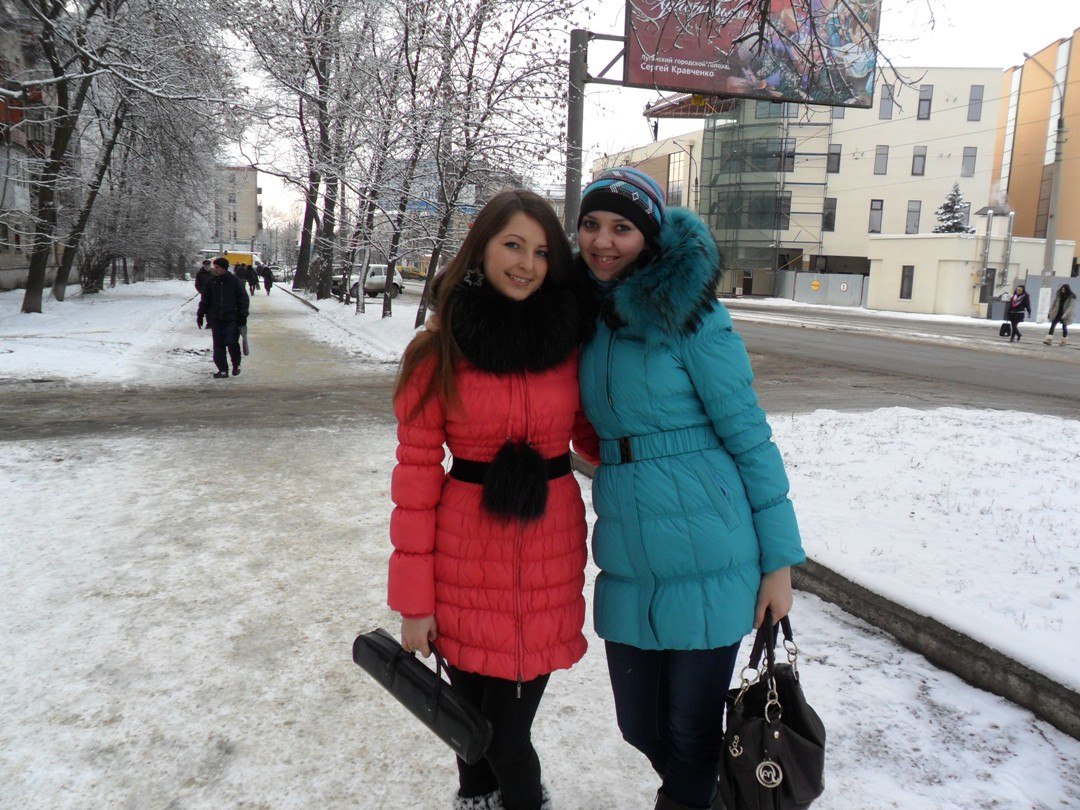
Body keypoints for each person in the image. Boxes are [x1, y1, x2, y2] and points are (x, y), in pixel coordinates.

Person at [574, 167, 806, 810]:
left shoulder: (693, 316)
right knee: (640, 726)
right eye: (591, 224)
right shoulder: (586, 316)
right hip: (629, 550)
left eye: (622, 228)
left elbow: (750, 438)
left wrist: (779, 564)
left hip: (711, 548)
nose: (603, 241)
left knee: (692, 732)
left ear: (649, 237)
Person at [388, 189, 598, 810]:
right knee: (470, 733)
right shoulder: (438, 350)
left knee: (505, 738)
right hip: (464, 561)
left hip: (545, 561)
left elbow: (597, 432)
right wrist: (414, 604)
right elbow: (415, 482)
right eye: (513, 245)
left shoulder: (569, 342)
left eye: (542, 251)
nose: (527, 264)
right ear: (481, 247)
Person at [196, 257, 249, 378]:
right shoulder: (211, 282)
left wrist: (242, 316)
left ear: (224, 268)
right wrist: (200, 314)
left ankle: (236, 365)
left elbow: (243, 300)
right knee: (218, 345)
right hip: (216, 319)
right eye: (214, 267)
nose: (215, 269)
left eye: (218, 267)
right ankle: (223, 369)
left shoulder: (234, 281)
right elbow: (205, 300)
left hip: (232, 319)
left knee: (231, 342)